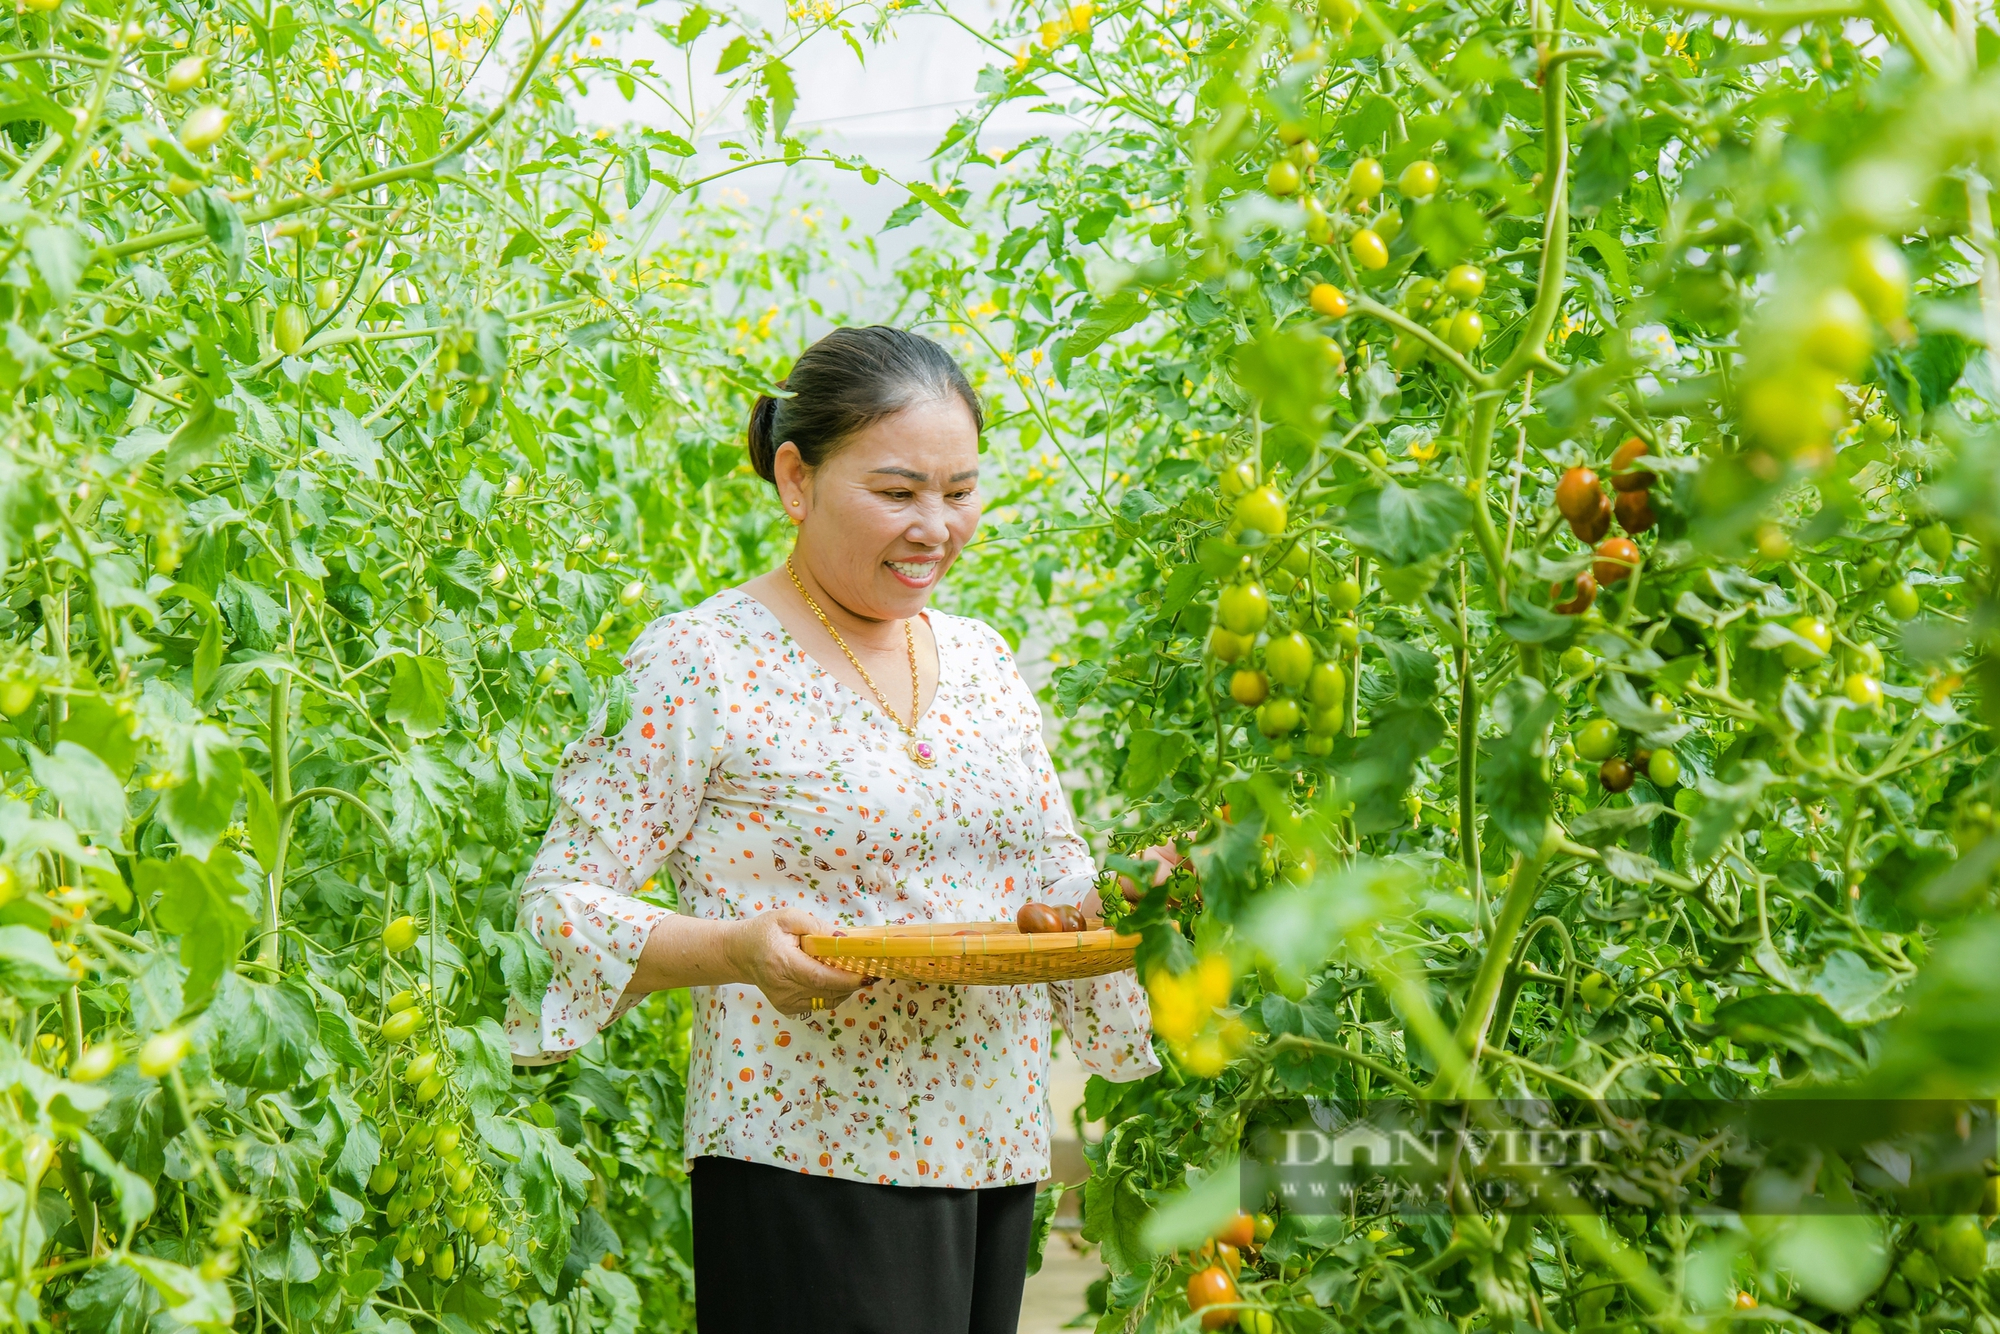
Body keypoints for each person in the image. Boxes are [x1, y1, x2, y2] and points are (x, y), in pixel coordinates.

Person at [508, 325, 1161, 1334]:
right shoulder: (700, 661)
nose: (935, 526)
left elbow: (1048, 865)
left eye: (959, 491)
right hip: (805, 1153)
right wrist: (733, 948)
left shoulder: (984, 662)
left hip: (991, 1140)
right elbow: (557, 903)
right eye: (898, 493)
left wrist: (1101, 904)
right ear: (794, 477)